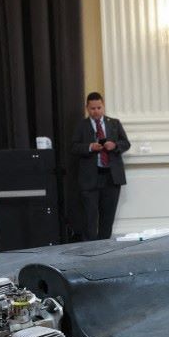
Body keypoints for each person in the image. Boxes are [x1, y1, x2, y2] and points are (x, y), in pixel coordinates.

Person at [71, 92, 130, 240]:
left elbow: (126, 143)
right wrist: (90, 147)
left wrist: (114, 145)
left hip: (111, 177)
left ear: (103, 106)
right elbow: (73, 147)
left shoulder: (114, 123)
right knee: (90, 218)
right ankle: (90, 247)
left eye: (99, 108)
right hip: (90, 178)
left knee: (108, 217)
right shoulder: (82, 125)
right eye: (92, 108)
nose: (96, 111)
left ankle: (105, 246)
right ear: (87, 108)